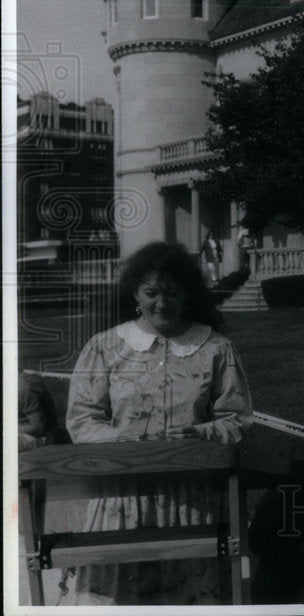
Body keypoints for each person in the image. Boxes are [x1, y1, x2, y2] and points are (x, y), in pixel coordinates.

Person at [65, 241, 252, 606]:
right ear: (135, 292)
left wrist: (202, 433)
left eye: (171, 293)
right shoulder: (105, 347)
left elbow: (238, 418)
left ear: (187, 295)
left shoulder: (216, 349)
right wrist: (122, 438)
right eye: (151, 293)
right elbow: (81, 419)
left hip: (193, 501)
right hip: (120, 501)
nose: (161, 303)